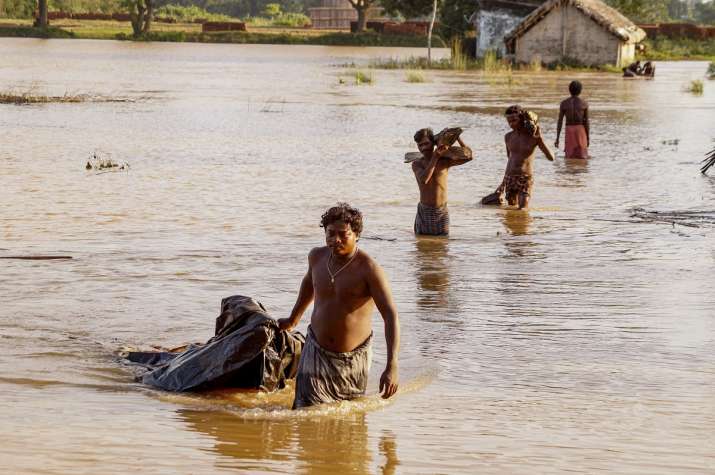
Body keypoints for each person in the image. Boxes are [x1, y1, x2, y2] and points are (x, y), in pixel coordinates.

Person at [278, 203, 400, 409]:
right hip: (315, 351)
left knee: (349, 426)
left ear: (356, 235)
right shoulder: (316, 257)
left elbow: (390, 315)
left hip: (352, 361)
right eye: (330, 233)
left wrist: (392, 366)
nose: (335, 240)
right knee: (305, 415)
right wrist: (293, 319)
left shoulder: (369, 269)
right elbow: (310, 284)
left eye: (343, 234)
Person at [411, 128, 473, 235]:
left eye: (426, 144)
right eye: (420, 145)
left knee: (442, 247)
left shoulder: (445, 161)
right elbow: (424, 179)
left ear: (433, 143)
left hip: (441, 212)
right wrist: (435, 157)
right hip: (424, 212)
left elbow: (469, 156)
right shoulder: (417, 164)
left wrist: (455, 137)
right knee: (422, 247)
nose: (424, 148)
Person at [495, 105, 555, 209]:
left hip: (525, 179)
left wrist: (540, 140)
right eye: (509, 121)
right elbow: (510, 159)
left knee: (522, 210)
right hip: (509, 178)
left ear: (522, 119)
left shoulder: (534, 137)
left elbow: (551, 157)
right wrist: (503, 182)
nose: (511, 124)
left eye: (514, 120)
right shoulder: (508, 137)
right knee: (511, 211)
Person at [555, 80, 589, 160]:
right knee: (582, 157)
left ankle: (570, 170)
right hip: (580, 130)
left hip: (569, 129)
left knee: (569, 157)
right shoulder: (584, 103)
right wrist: (587, 137)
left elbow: (560, 121)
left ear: (569, 90)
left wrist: (557, 138)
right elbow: (586, 122)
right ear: (580, 90)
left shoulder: (564, 103)